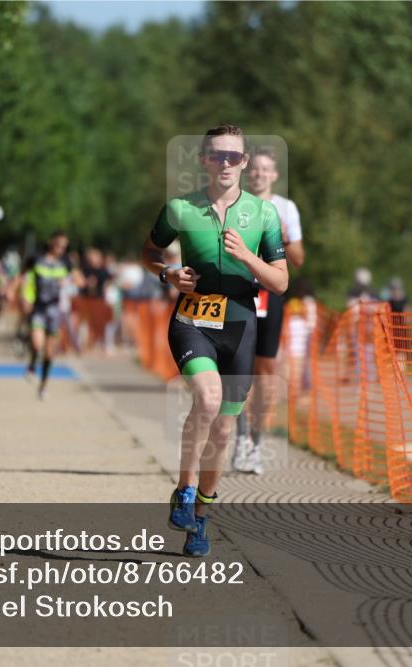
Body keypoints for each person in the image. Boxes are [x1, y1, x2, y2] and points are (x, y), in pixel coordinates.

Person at [141, 123, 288, 557]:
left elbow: (280, 282)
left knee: (224, 431)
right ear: (203, 160)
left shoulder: (263, 215)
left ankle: (200, 520)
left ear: (244, 163)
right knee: (206, 399)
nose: (225, 163)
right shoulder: (180, 208)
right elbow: (149, 252)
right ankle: (184, 492)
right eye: (217, 155)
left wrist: (247, 256)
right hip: (193, 317)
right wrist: (167, 273)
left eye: (233, 156)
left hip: (241, 323)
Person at [232, 148, 305, 474]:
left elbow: (299, 260)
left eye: (266, 169)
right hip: (239, 291)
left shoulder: (286, 208)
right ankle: (240, 439)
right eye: (256, 169)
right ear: (249, 173)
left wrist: (286, 241)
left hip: (270, 294)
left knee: (264, 371)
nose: (260, 173)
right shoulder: (235, 202)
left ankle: (256, 445)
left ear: (275, 175)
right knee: (237, 371)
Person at [23, 231, 76, 400]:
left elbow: (79, 280)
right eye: (58, 245)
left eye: (63, 247)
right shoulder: (36, 259)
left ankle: (43, 386)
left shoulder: (66, 262)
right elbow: (22, 275)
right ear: (51, 242)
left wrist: (67, 281)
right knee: (37, 344)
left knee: (49, 352)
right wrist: (18, 293)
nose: (60, 249)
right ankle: (31, 365)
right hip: (38, 308)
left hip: (55, 311)